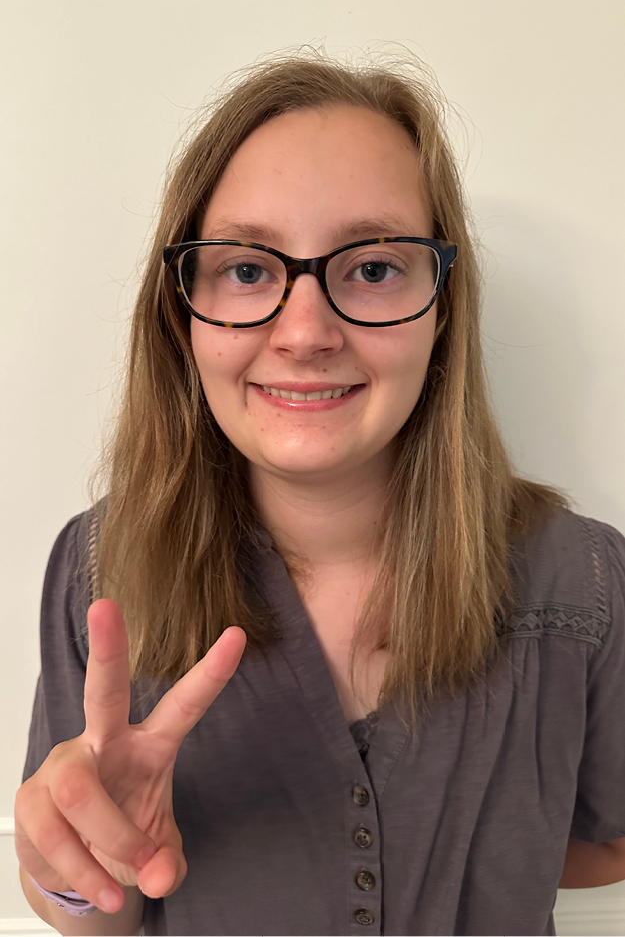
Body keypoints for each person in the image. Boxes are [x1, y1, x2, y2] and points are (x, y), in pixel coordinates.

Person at [14, 50, 625, 937]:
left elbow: (605, 843)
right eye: (248, 270)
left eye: (374, 268)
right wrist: (83, 873)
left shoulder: (584, 582)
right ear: (181, 310)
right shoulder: (99, 566)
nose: (304, 334)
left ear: (442, 306)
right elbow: (90, 907)